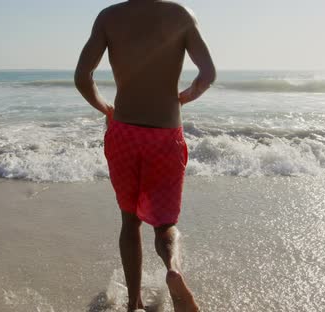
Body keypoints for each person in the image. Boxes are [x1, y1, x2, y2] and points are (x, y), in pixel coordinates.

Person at [75, 1, 215, 311]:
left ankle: (133, 303)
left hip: (125, 134)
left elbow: (82, 76)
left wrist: (106, 108)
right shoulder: (181, 15)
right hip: (165, 136)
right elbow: (207, 74)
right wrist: (184, 97)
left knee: (130, 223)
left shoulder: (109, 17)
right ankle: (173, 268)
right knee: (164, 224)